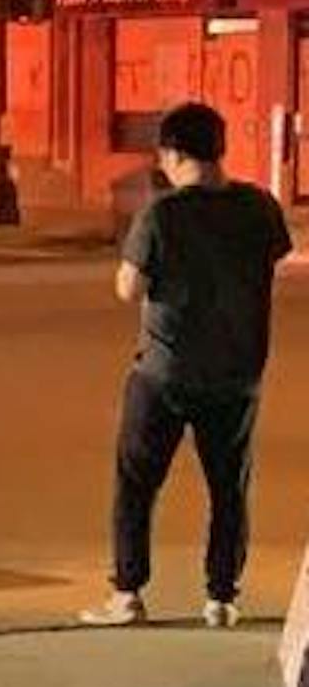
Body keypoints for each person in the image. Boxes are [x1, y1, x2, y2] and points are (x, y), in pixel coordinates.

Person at [81, 102, 291, 630]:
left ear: (173, 154)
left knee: (137, 482)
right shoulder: (259, 207)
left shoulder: (162, 214)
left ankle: (127, 594)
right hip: (237, 375)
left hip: (165, 372)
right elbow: (273, 260)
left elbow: (128, 287)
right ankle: (221, 598)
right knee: (228, 488)